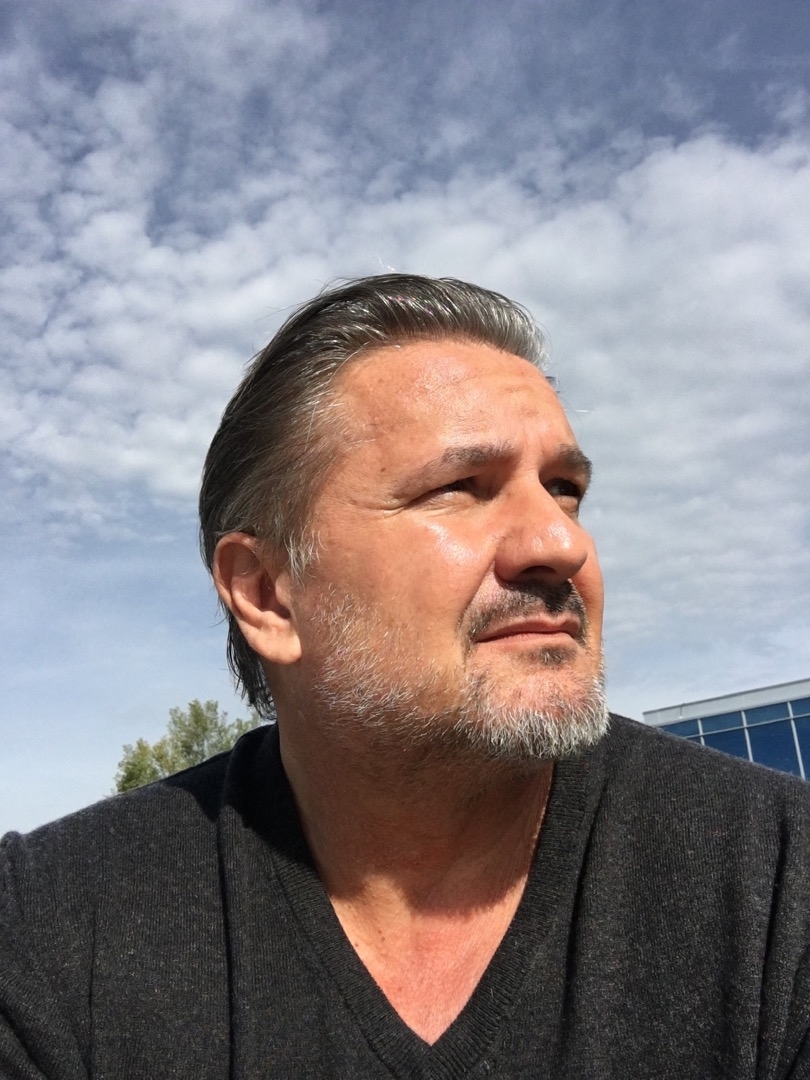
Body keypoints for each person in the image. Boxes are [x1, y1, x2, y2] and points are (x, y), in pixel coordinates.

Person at [1, 274, 809, 1079]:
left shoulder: (782, 884)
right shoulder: (48, 935)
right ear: (267, 594)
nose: (563, 545)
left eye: (565, 491)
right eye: (458, 487)